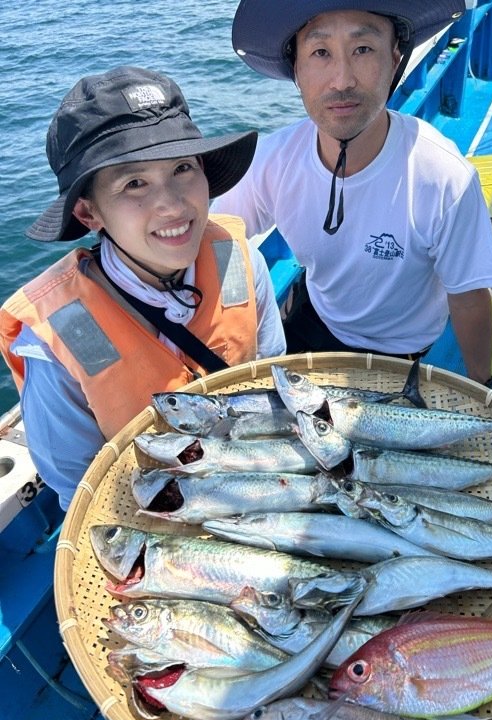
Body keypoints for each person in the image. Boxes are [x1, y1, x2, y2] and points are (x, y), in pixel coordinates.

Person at [0, 66, 285, 510]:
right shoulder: (63, 328)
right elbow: (80, 486)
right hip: (154, 512)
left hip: (260, 475)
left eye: (183, 168)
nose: (173, 204)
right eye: (134, 183)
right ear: (89, 213)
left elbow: (270, 374)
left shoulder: (238, 258)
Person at [212, 0, 492, 385]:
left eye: (363, 49)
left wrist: (481, 382)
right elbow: (220, 238)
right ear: (296, 69)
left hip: (402, 350)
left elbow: (468, 297)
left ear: (395, 59)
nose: (342, 80)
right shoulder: (273, 159)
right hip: (315, 315)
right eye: (320, 52)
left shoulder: (444, 177)